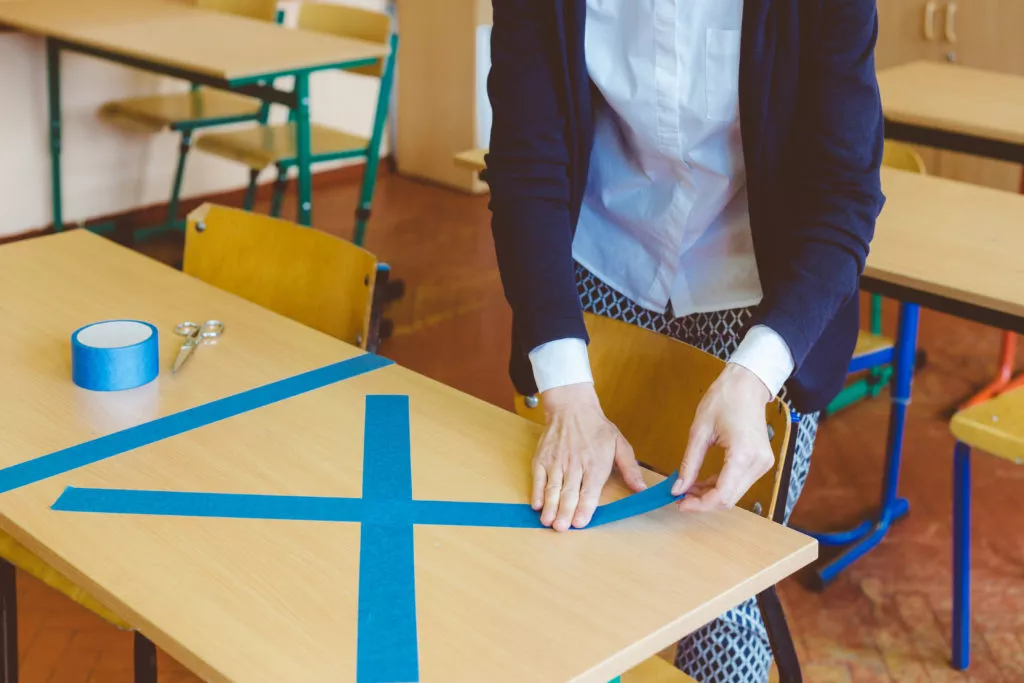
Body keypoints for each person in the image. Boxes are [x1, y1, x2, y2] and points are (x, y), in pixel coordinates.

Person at [484, 1, 884, 681]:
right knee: (563, 554)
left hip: (760, 293)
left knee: (703, 585)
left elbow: (843, 197)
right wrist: (568, 391)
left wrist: (754, 374)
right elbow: (525, 162)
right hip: (601, 256)